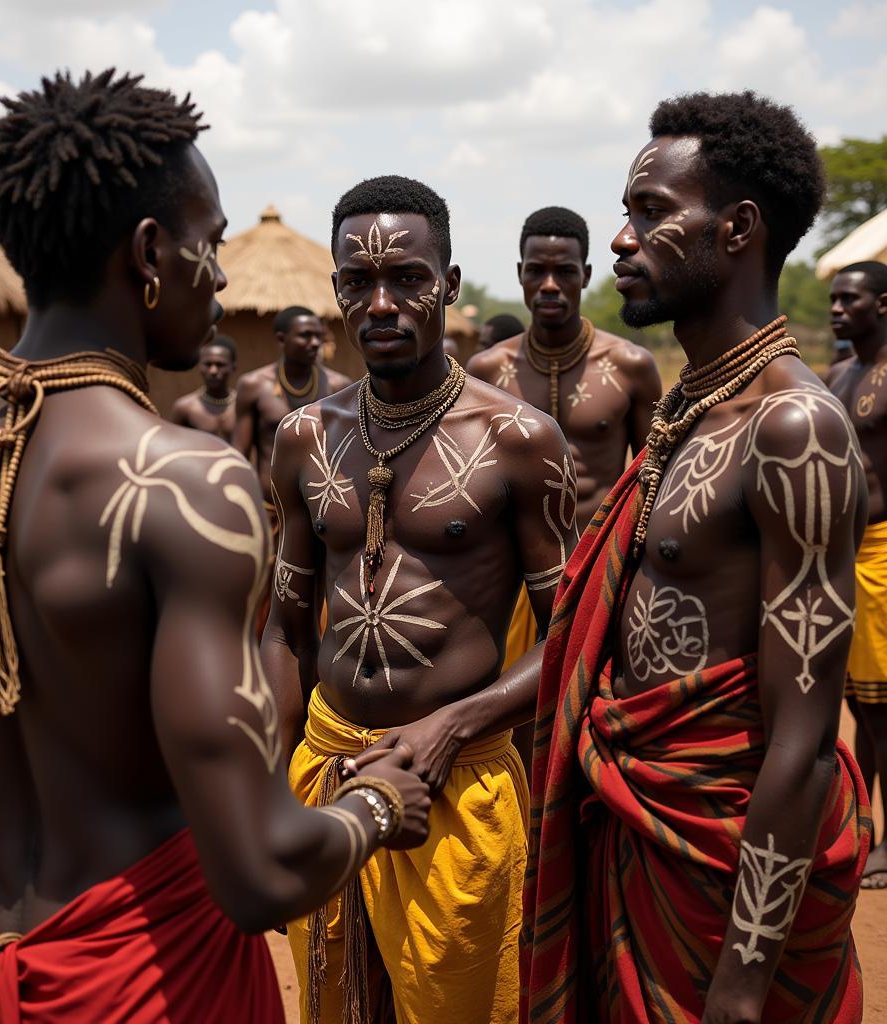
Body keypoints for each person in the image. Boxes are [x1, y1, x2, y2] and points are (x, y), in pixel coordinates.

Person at [0, 69, 431, 1023]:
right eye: (210, 246)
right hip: (155, 987)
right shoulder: (189, 484)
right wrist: (376, 807)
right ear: (150, 252)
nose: (221, 277)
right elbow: (257, 873)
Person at [524, 91, 868, 1024]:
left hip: (721, 884)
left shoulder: (793, 429)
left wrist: (744, 983)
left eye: (651, 213)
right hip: (637, 831)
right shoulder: (684, 410)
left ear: (740, 228)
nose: (623, 240)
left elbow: (803, 738)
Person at [265, 174, 577, 1024]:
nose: (382, 302)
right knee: (334, 1002)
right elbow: (284, 631)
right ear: (334, 292)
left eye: (407, 278)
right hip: (326, 777)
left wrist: (453, 726)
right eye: (358, 282)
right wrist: (270, 773)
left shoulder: (517, 441)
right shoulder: (302, 438)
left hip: (458, 788)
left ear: (448, 283)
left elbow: (576, 638)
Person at [468, 208, 662, 675]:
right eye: (537, 271)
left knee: (592, 712)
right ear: (520, 275)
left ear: (587, 275)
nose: (550, 284)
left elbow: (656, 478)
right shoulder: (488, 372)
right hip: (507, 579)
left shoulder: (630, 365)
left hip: (601, 569)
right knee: (508, 720)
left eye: (565, 272)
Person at [234, 307, 351, 633]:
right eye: (305, 336)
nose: (315, 343)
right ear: (281, 340)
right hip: (268, 514)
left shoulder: (338, 388)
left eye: (319, 336)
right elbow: (239, 454)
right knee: (259, 599)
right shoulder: (254, 386)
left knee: (323, 598)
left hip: (323, 512)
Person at [826, 260, 887, 889]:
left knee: (882, 709)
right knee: (854, 701)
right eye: (834, 300)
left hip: (884, 552)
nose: (839, 309)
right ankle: (858, 822)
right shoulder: (840, 374)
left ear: (885, 304)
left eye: (852, 299)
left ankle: (885, 841)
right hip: (845, 551)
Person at [170, 334, 238, 442]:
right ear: (199, 366)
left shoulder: (242, 407)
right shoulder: (185, 408)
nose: (213, 371)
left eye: (220, 365)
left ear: (233, 367)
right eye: (207, 364)